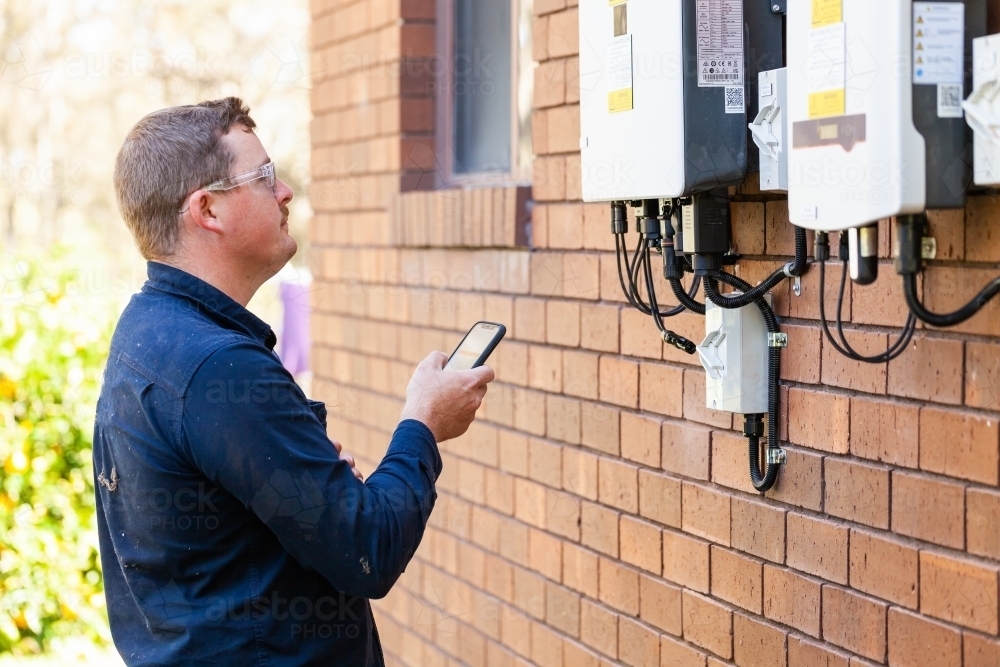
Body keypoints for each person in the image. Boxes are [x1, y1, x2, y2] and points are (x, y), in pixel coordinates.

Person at [95, 97, 494, 666]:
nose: (285, 193)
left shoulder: (147, 329)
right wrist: (423, 425)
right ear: (208, 209)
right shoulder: (219, 366)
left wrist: (295, 472)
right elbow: (368, 550)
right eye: (264, 178)